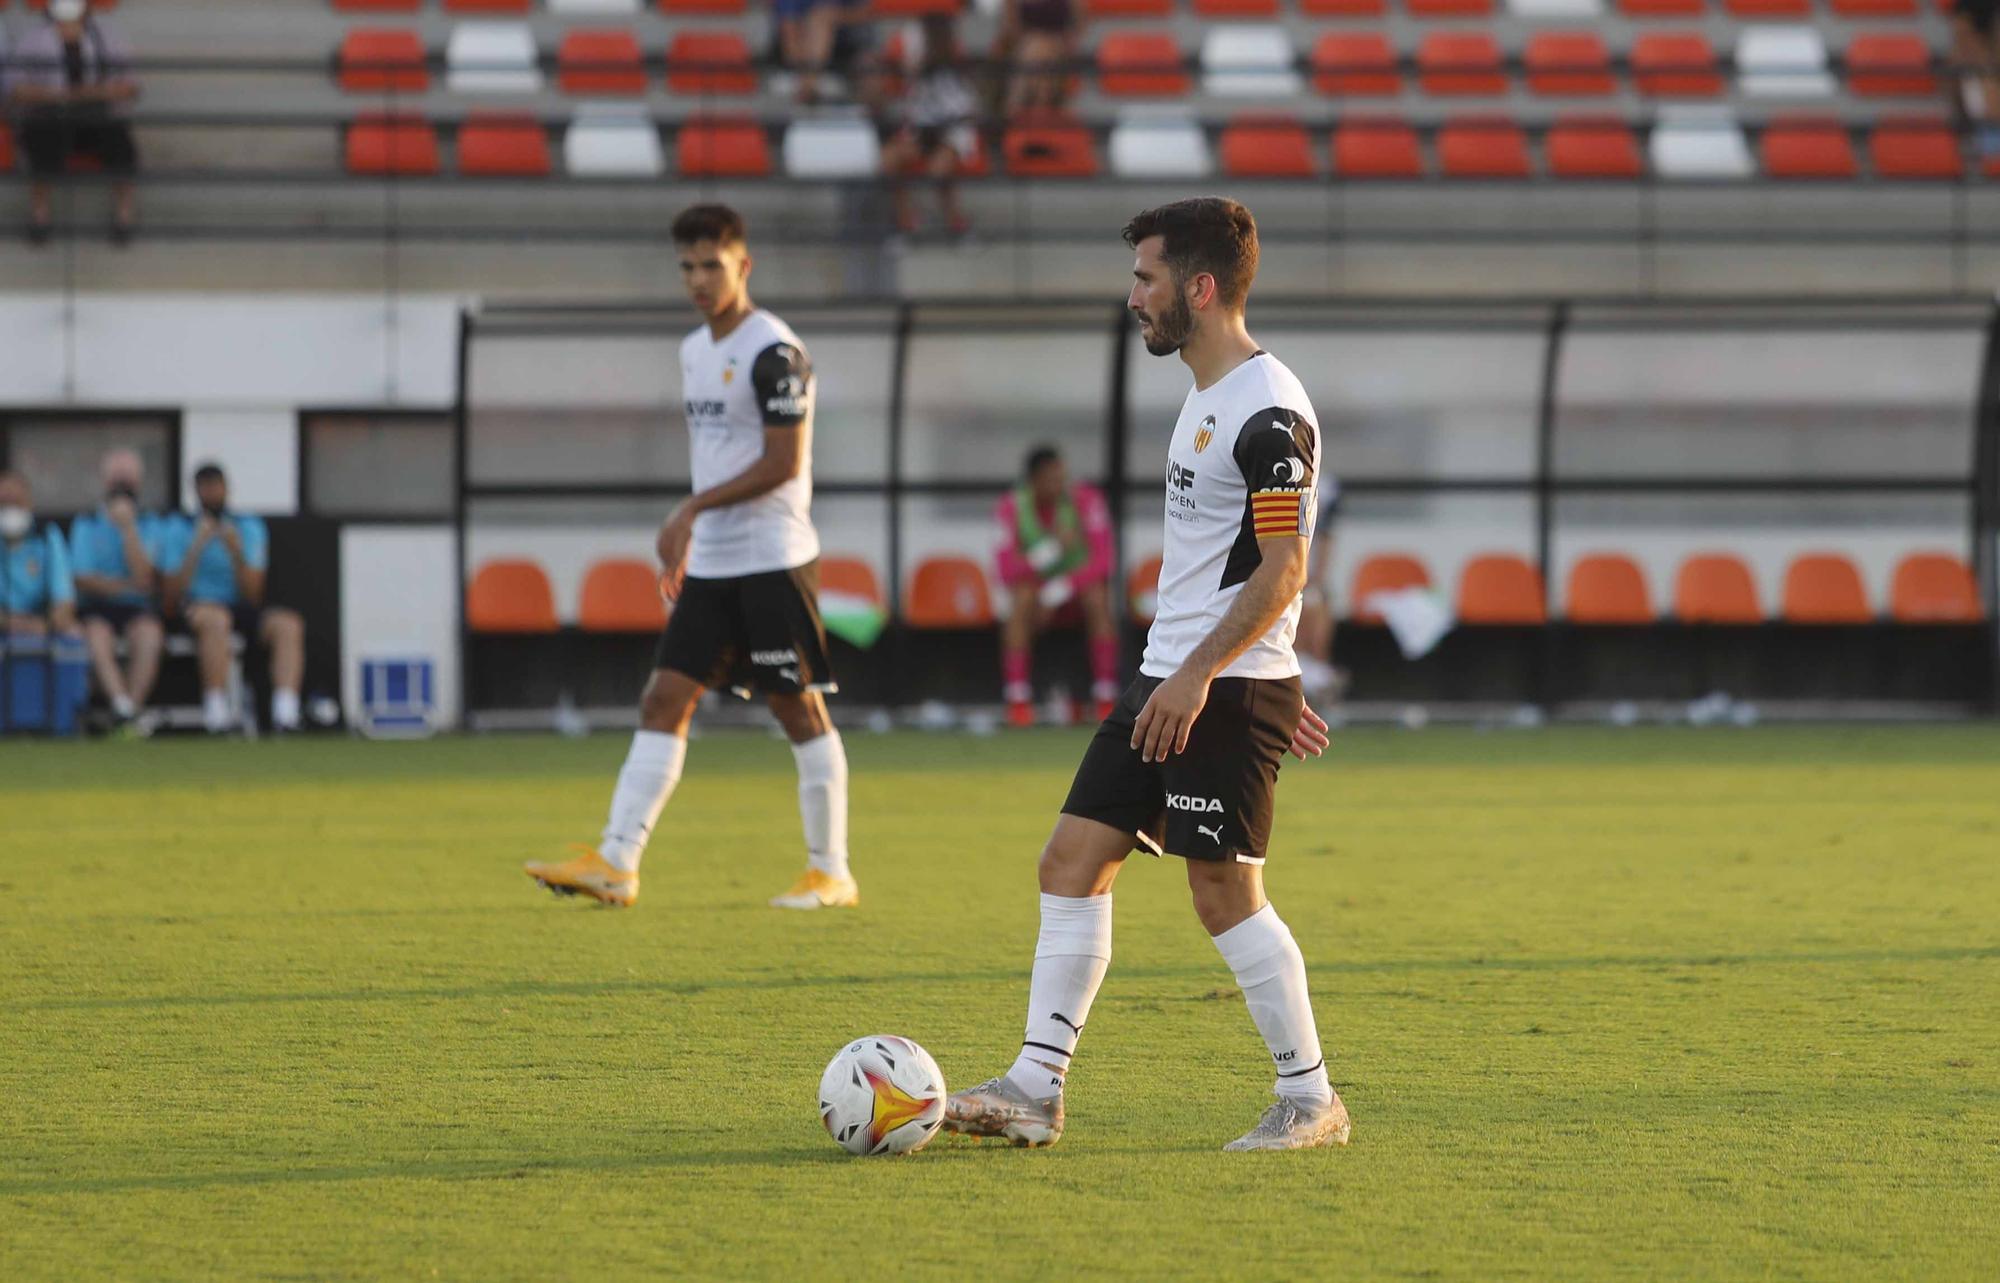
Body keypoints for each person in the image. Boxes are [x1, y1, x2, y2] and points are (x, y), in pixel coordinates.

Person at [944, 198, 1345, 1153]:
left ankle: (1311, 1097)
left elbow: (1287, 569)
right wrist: (1227, 667)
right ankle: (1037, 1088)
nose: (1134, 298)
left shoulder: (1268, 411)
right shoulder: (1208, 396)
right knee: (1071, 863)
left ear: (1198, 289)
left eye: (1146, 279)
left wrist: (1230, 679)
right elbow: (1235, 561)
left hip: (1210, 687)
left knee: (1224, 894)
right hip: (1176, 677)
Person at [524, 204, 857, 913]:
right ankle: (617, 860)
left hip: (773, 558)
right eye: (687, 266)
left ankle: (831, 871)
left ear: (744, 264)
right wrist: (695, 523)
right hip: (713, 563)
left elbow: (782, 461)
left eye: (712, 263)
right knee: (663, 697)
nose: (699, 279)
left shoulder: (775, 352)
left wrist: (690, 509)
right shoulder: (693, 349)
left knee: (796, 709)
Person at [155, 463, 307, 734]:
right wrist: (197, 546)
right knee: (216, 620)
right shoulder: (179, 528)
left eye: (217, 486)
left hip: (240, 607)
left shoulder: (247, 526)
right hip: (197, 609)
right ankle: (217, 711)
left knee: (288, 624)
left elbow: (253, 594)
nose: (212, 493)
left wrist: (236, 552)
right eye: (206, 488)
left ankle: (286, 713)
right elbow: (170, 595)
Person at [993, 444, 1117, 727]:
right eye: (1052, 479)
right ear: (1034, 481)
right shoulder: (1011, 507)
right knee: (1021, 597)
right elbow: (1005, 570)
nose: (1060, 485)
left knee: (1098, 597)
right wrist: (1051, 551)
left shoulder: (1086, 500)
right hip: (1035, 599)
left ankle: (1105, 697)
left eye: (1062, 477)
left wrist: (1059, 589)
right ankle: (1018, 701)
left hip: (1075, 593)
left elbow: (1103, 561)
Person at [6, 0, 141, 246]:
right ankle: (40, 216)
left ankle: (124, 216)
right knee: (42, 134)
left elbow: (130, 86)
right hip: (51, 114)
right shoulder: (33, 40)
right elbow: (15, 90)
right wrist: (60, 95)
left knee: (118, 138)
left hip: (96, 115)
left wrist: (88, 94)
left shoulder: (107, 38)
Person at [68, 448, 166, 732]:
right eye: (117, 479)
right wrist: (126, 586)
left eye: (128, 479)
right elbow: (83, 579)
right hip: (96, 608)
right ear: (105, 482)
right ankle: (122, 705)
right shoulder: (87, 523)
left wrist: (128, 529)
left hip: (137, 610)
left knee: (149, 635)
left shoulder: (150, 523)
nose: (122, 486)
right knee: (96, 635)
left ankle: (130, 713)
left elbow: (146, 577)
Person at [879, 14, 976, 240]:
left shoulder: (950, 35)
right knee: (889, 158)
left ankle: (956, 222)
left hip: (952, 124)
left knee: (938, 169)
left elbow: (957, 77)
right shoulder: (905, 38)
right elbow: (893, 86)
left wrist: (924, 62)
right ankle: (906, 221)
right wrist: (903, 69)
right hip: (920, 124)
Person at [0, 471, 78, 637]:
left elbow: (65, 600)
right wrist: (14, 623)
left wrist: (47, 623)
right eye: (4, 504)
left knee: (74, 634)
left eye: (16, 503)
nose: (10, 511)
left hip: (42, 626)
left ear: (29, 503)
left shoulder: (48, 536)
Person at [1292, 477, 1348, 705]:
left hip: (1304, 581)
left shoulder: (1320, 486)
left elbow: (1325, 541)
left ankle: (1316, 679)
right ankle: (1311, 681)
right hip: (1281, 579)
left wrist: (1314, 581)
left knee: (1316, 603)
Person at [998, 0, 1077, 115]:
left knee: (1041, 53)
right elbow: (1011, 27)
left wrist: (1056, 42)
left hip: (1059, 47)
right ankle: (1040, 109)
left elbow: (1077, 23)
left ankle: (1015, 108)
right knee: (1036, 51)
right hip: (1025, 46)